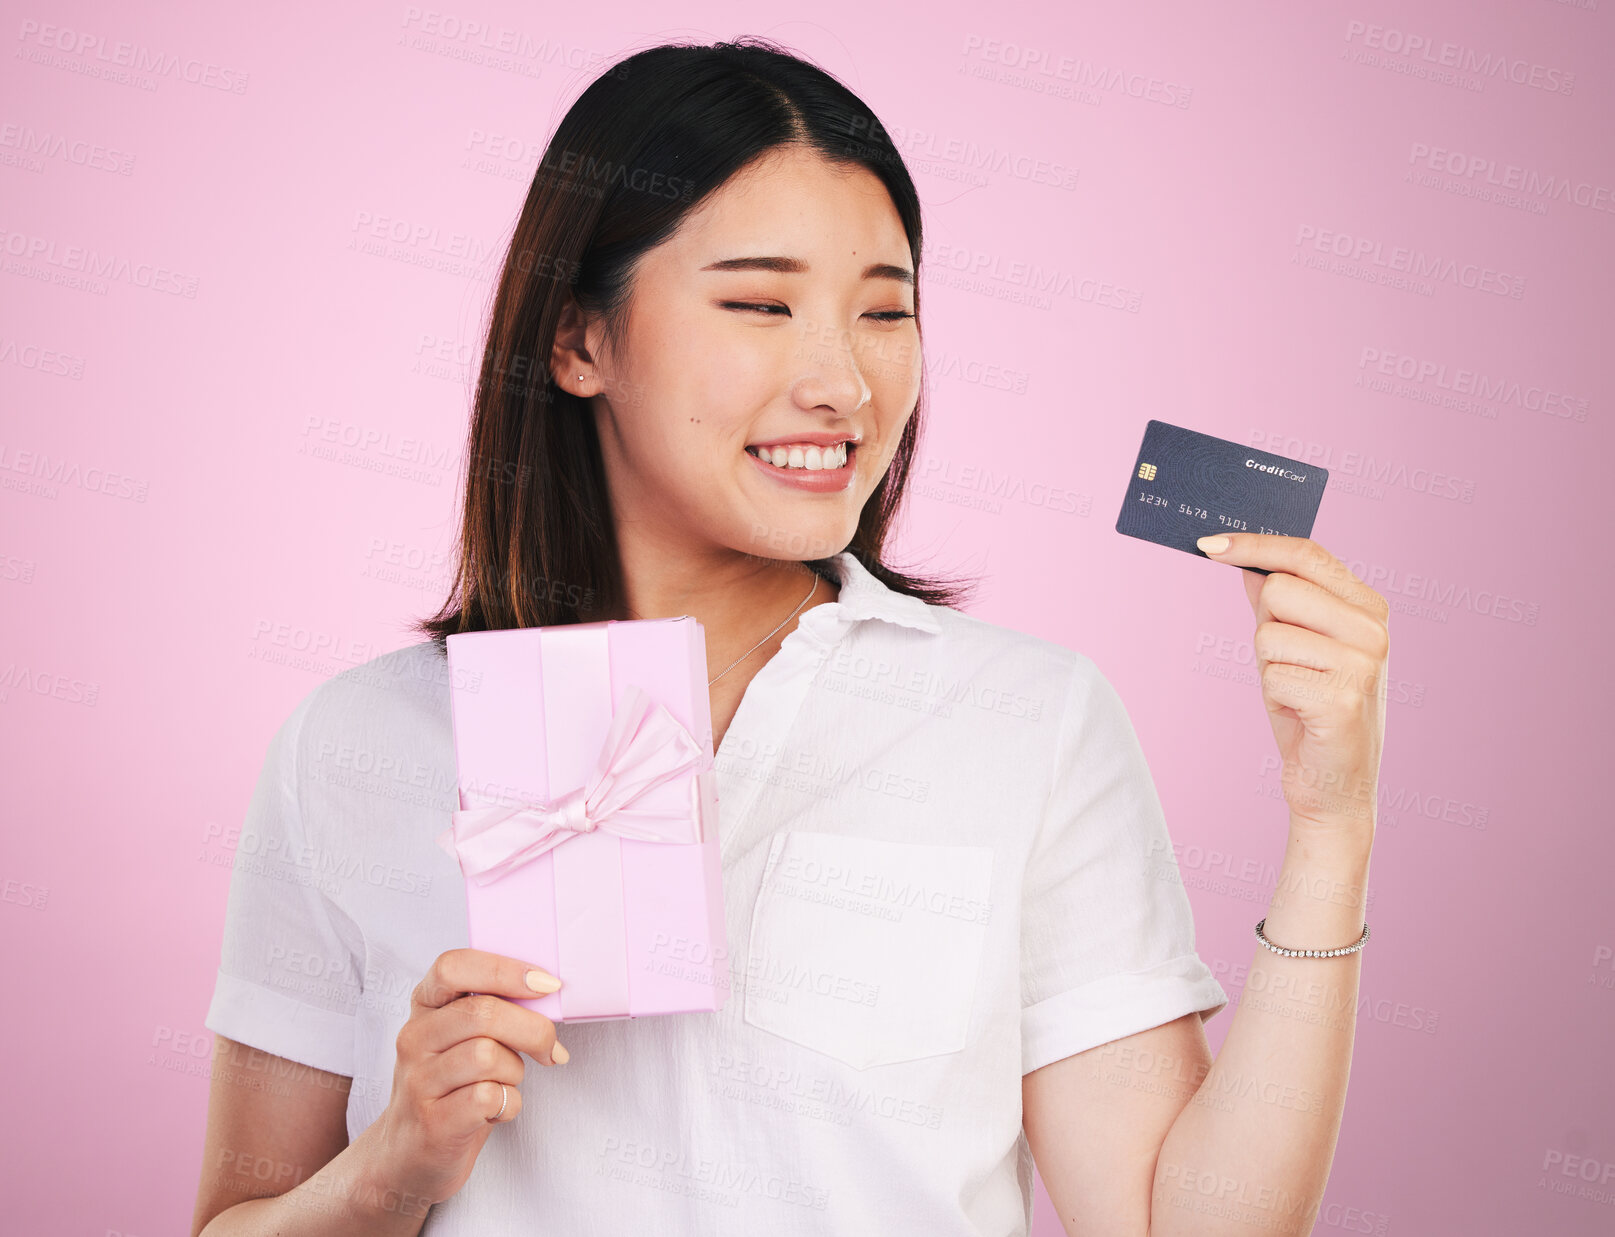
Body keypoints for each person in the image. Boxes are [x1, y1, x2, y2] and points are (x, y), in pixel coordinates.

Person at [192, 36, 1389, 1237]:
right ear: (577, 341)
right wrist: (392, 1164)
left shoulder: (1029, 719)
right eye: (761, 304)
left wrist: (1330, 827)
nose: (843, 383)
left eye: (884, 310)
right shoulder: (353, 744)